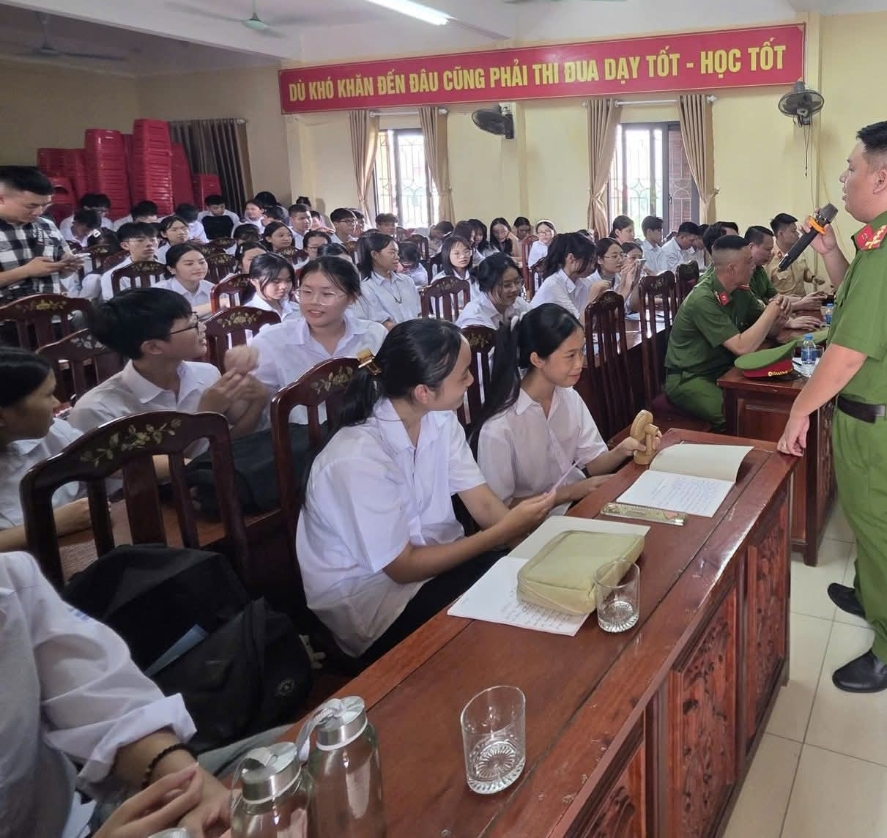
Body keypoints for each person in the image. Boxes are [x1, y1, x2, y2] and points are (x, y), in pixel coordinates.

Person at [776, 121, 887, 694]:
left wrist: (800, 409)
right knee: (872, 524)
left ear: (881, 176)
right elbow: (858, 305)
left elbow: (847, 351)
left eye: (851, 169)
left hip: (880, 422)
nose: (844, 179)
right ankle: (874, 596)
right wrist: (827, 250)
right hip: (875, 416)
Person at [296, 319, 556, 660]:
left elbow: (482, 502)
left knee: (526, 581)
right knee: (502, 618)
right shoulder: (356, 459)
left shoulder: (440, 418)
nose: (471, 380)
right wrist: (502, 533)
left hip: (438, 564)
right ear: (423, 391)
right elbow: (403, 568)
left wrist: (525, 547)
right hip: (374, 601)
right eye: (463, 374)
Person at [0, 549, 242, 838]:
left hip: (85, 818)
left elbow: (105, 704)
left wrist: (194, 793)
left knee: (292, 764)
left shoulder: (11, 579)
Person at [71, 289, 269, 474]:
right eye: (191, 324)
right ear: (154, 347)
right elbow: (149, 475)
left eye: (196, 318)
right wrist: (205, 415)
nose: (203, 327)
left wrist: (258, 398)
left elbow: (231, 442)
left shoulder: (206, 374)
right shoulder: (98, 409)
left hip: (211, 486)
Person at [476, 304, 645, 507]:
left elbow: (593, 463)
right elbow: (500, 510)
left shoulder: (568, 397)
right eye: (570, 356)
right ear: (537, 359)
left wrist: (622, 450)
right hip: (532, 529)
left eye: (581, 352)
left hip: (577, 504)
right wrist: (567, 493)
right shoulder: (500, 426)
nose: (579, 363)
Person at [663, 235, 791, 430]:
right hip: (690, 376)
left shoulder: (740, 290)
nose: (753, 266)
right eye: (748, 262)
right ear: (732, 268)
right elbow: (742, 347)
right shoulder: (703, 299)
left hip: (724, 368)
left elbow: (766, 330)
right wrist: (771, 310)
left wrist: (778, 318)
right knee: (735, 415)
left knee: (768, 401)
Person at [250, 257, 388, 412]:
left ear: (352, 298)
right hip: (299, 433)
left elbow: (386, 388)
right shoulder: (270, 342)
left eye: (327, 294)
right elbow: (251, 408)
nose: (314, 301)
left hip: (365, 429)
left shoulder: (373, 335)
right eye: (306, 292)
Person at [0, 348, 89, 552]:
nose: (57, 404)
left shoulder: (53, 432)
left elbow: (111, 457)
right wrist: (50, 523)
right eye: (48, 395)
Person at [0, 165, 85, 304]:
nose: (39, 212)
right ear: (1, 199)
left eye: (45, 205)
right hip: (8, 320)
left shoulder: (46, 225)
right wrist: (26, 271)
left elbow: (62, 274)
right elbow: (32, 270)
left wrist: (67, 267)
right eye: (31, 206)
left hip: (53, 316)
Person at [354, 232, 420, 326]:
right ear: (374, 255)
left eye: (397, 253)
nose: (397, 257)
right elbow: (383, 326)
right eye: (392, 253)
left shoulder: (406, 281)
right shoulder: (365, 288)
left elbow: (418, 312)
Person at [531, 232, 600, 319]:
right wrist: (593, 295)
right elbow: (579, 325)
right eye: (589, 261)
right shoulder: (553, 285)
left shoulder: (583, 282)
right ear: (571, 259)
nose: (593, 266)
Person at [455, 252, 529, 330]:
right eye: (507, 285)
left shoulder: (518, 303)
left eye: (517, 282)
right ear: (487, 286)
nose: (515, 289)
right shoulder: (474, 318)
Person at [768, 211, 829, 299]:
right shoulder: (769, 258)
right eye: (793, 231)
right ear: (780, 234)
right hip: (784, 308)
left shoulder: (798, 250)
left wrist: (812, 277)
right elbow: (766, 294)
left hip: (803, 304)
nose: (797, 234)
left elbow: (804, 271)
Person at [100, 222, 166, 301]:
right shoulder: (113, 275)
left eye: (152, 239)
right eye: (140, 240)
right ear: (125, 245)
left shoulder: (168, 270)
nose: (149, 244)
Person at [586, 237, 644, 314]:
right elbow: (611, 314)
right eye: (614, 256)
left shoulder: (620, 277)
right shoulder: (591, 282)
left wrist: (636, 281)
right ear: (600, 260)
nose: (620, 260)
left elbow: (631, 307)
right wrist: (626, 287)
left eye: (621, 255)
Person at [161, 243, 213, 315]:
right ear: (171, 269)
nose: (198, 267)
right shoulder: (160, 292)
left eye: (202, 262)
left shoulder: (213, 289)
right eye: (189, 264)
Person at [246, 252, 300, 320]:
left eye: (288, 280)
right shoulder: (247, 317)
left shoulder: (297, 309)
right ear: (254, 281)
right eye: (276, 281)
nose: (284, 286)